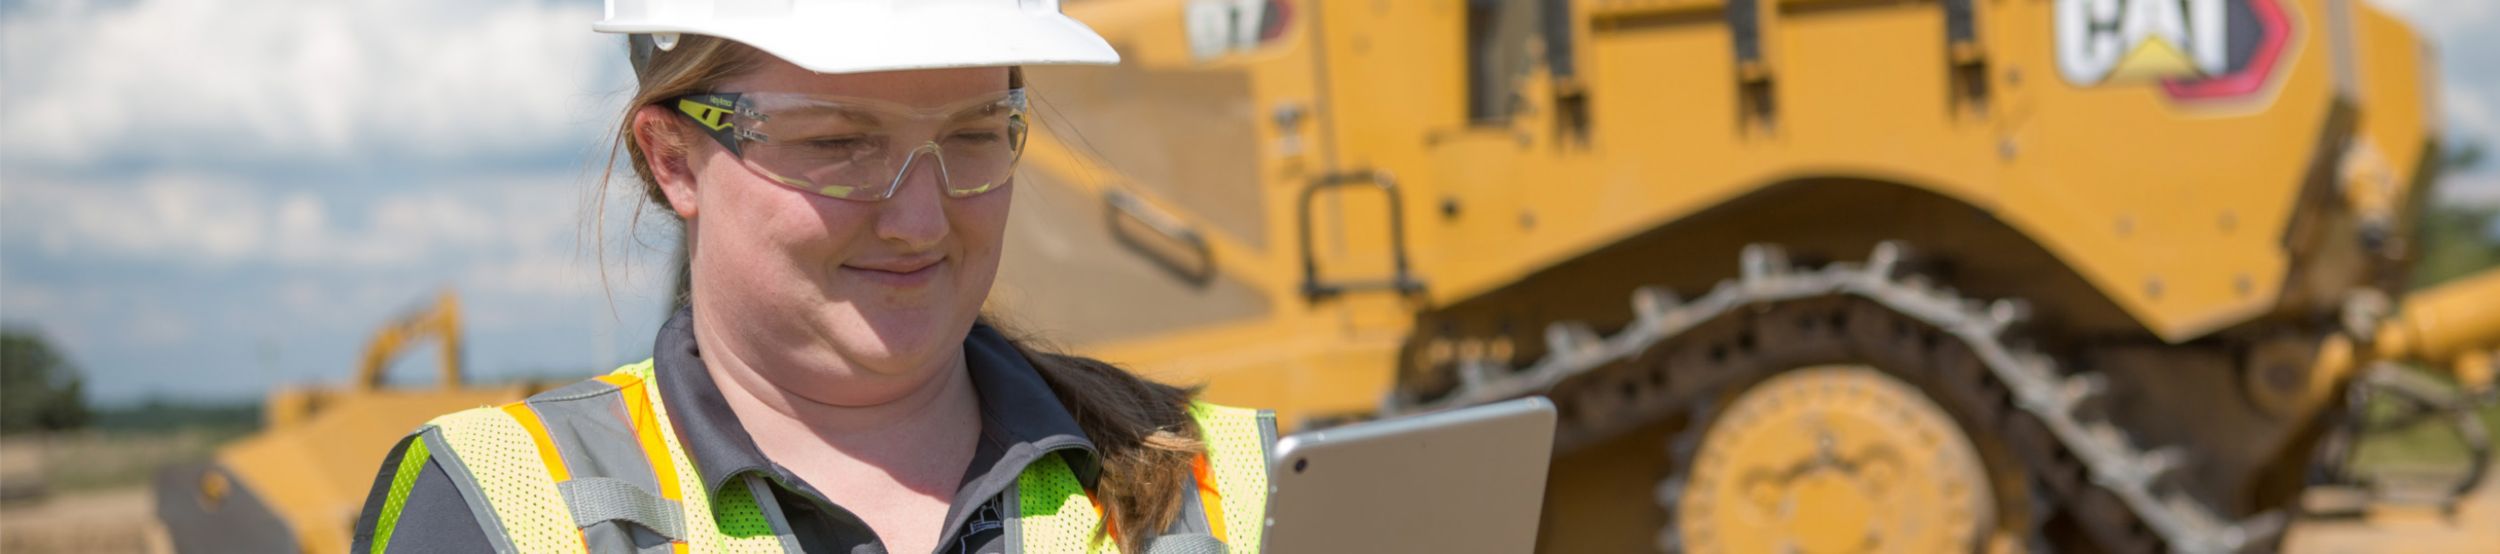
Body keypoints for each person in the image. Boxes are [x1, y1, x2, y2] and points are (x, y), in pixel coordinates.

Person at [348, 1, 1275, 552]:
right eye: (838, 144)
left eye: (973, 135)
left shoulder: (1239, 487)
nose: (920, 220)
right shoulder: (507, 508)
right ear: (673, 159)